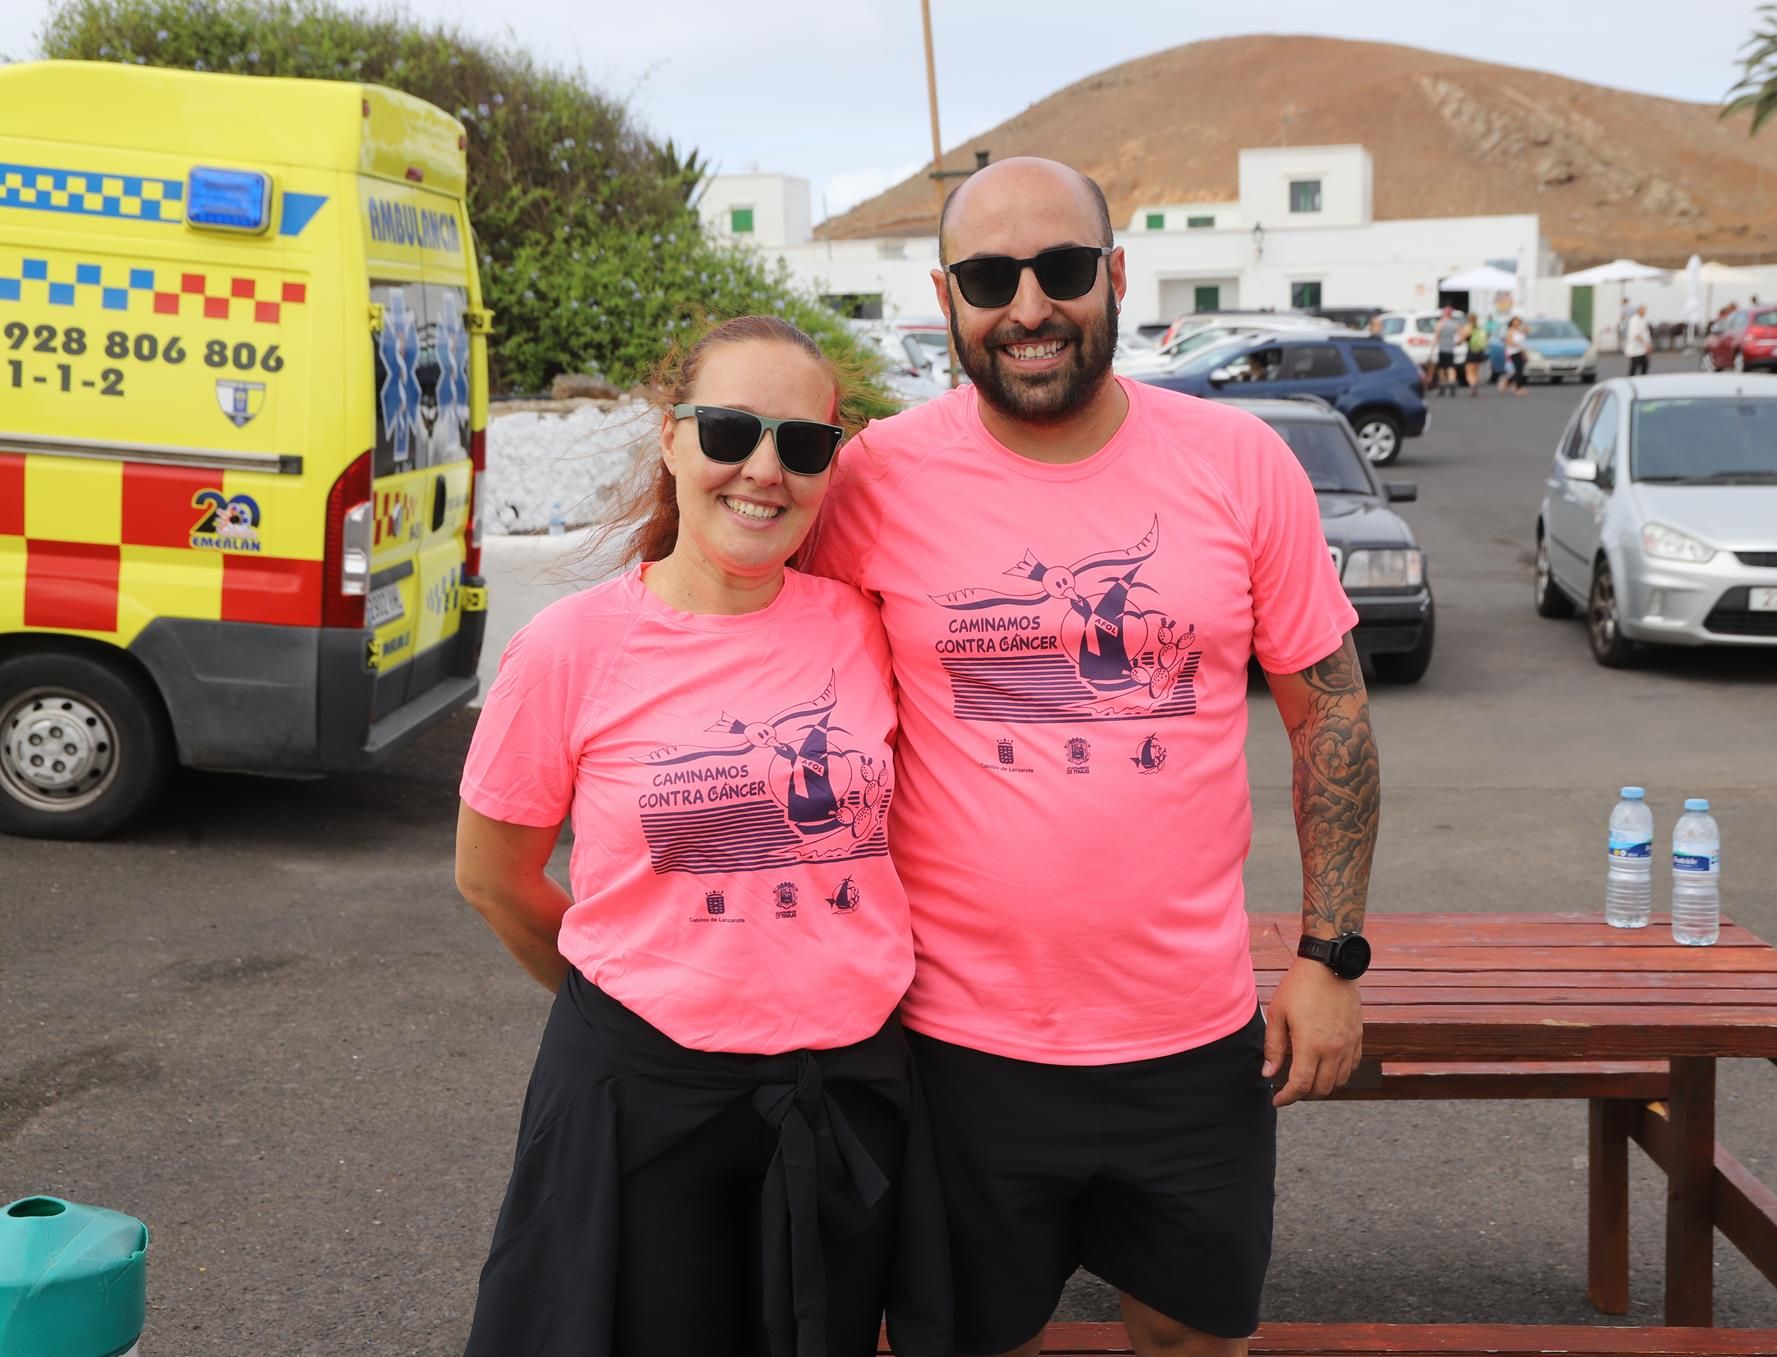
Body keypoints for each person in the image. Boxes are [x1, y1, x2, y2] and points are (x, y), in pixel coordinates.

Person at [805, 156, 1379, 1357]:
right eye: (988, 278)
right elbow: (776, 669)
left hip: (1191, 1038)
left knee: (1188, 1338)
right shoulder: (875, 480)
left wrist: (1330, 956)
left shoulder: (1239, 464)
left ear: (1115, 275)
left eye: (1062, 268)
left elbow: (1328, 713)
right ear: (945, 296)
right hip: (957, 1043)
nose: (1028, 307)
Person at [454, 315, 947, 1357]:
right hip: (643, 1105)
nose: (764, 469)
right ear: (671, 436)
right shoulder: (569, 647)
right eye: (729, 430)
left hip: (845, 1093)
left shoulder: (866, 627)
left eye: (801, 444)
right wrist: (633, 996)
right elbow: (494, 876)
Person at [1430, 306, 1460, 396]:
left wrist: (1432, 349)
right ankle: (1452, 384)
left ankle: (1442, 386)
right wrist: (1457, 343)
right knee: (1451, 367)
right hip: (1451, 349)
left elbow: (1436, 337)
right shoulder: (1455, 324)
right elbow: (1460, 334)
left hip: (1442, 348)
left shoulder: (1440, 324)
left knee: (1441, 368)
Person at [1502, 314, 1529, 395]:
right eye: (1515, 321)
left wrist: (1524, 324)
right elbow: (1508, 342)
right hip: (1513, 352)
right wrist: (1517, 346)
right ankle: (1518, 388)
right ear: (1512, 322)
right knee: (1518, 370)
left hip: (1521, 351)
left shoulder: (1520, 330)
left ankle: (1507, 382)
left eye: (1518, 321)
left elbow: (1528, 330)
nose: (1517, 323)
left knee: (1519, 370)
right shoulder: (1510, 330)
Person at [1624, 303, 1653, 377]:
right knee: (1634, 366)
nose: (1645, 312)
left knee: (1645, 365)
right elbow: (1636, 335)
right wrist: (1645, 344)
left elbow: (1646, 332)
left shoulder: (1643, 319)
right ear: (1639, 310)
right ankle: (1630, 379)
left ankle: (1642, 379)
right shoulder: (1634, 320)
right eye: (1643, 310)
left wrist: (1649, 343)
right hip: (1635, 348)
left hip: (1642, 348)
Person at [1463, 311, 1486, 397]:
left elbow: (1462, 338)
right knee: (1475, 371)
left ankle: (1472, 385)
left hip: (1471, 351)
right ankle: (1475, 384)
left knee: (1469, 372)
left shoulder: (1467, 327)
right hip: (1479, 351)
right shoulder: (1478, 328)